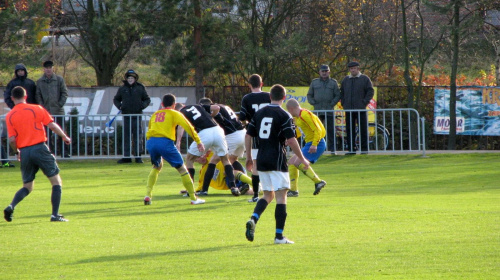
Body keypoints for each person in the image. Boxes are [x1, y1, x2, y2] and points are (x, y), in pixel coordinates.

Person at [244, 84, 309, 244]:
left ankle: (253, 218)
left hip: (261, 158)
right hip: (277, 159)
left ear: (270, 97)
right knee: (281, 196)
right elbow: (292, 139)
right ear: (284, 98)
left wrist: (249, 157)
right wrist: (302, 158)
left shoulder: (259, 114)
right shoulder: (284, 115)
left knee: (268, 194)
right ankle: (279, 236)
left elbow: (248, 135)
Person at [3, 86, 71, 222]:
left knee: (27, 186)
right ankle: (55, 215)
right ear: (26, 96)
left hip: (25, 152)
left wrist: (17, 151)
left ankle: (11, 206)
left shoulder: (10, 116)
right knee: (56, 181)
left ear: (12, 98)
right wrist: (64, 136)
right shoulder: (36, 109)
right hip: (39, 148)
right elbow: (51, 125)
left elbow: (11, 139)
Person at [144, 94, 205, 205]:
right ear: (174, 104)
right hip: (165, 142)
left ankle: (148, 195)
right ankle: (193, 198)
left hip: (151, 142)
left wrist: (151, 144)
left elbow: (149, 129)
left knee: (156, 166)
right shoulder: (175, 113)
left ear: (162, 104)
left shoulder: (155, 114)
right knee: (182, 169)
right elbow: (188, 127)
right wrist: (198, 141)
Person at [177, 102, 240, 196]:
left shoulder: (180, 112)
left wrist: (178, 141)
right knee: (225, 160)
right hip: (218, 130)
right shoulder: (198, 106)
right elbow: (216, 108)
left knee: (189, 159)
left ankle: (190, 190)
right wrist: (211, 116)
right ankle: (233, 187)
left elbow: (181, 126)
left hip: (205, 132)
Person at [197, 98, 247, 196]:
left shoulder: (213, 110)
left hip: (232, 136)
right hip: (243, 134)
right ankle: (246, 184)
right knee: (231, 161)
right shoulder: (224, 106)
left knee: (213, 161)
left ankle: (205, 190)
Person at [285, 99, 327, 197]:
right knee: (291, 162)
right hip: (310, 143)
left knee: (297, 162)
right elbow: (299, 132)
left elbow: (318, 129)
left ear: (291, 109)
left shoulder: (305, 115)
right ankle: (293, 190)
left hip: (317, 142)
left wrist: (314, 144)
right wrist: (290, 139)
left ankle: (318, 181)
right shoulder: (299, 118)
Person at [239, 74, 271, 202]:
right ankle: (273, 192)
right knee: (272, 162)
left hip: (256, 134)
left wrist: (248, 125)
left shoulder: (247, 98)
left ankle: (256, 195)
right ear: (261, 84)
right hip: (270, 133)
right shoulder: (269, 95)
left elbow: (242, 117)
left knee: (256, 164)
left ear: (249, 85)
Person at [113, 69, 151, 164]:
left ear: (135, 79)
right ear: (126, 78)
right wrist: (120, 106)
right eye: (129, 78)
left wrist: (142, 106)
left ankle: (138, 157)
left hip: (137, 116)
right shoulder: (122, 89)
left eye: (132, 78)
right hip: (126, 116)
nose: (130, 79)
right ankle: (126, 157)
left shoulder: (140, 88)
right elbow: (116, 99)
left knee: (138, 137)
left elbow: (147, 99)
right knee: (126, 137)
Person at [35, 60, 70, 158]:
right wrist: (42, 107)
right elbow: (37, 95)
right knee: (46, 134)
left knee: (62, 132)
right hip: (46, 113)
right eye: (46, 68)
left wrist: (59, 104)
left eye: (50, 67)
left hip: (59, 111)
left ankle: (64, 153)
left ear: (53, 68)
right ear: (44, 69)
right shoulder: (40, 81)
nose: (48, 69)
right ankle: (49, 153)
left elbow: (64, 93)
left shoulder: (59, 79)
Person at [339, 61, 374, 155]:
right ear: (349, 70)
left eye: (354, 68)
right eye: (351, 69)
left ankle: (364, 149)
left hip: (361, 109)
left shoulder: (365, 79)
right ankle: (351, 149)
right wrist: (344, 103)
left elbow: (370, 91)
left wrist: (364, 103)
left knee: (363, 129)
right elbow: (341, 92)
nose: (353, 70)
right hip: (349, 109)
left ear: (358, 69)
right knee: (350, 130)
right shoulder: (346, 79)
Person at [307, 64, 341, 154]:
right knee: (316, 130)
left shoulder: (333, 82)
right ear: (319, 72)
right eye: (323, 71)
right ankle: (316, 149)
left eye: (326, 71)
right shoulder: (314, 82)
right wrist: (313, 102)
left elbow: (338, 95)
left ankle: (332, 149)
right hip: (317, 110)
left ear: (329, 72)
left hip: (329, 110)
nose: (324, 73)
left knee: (330, 130)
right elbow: (309, 95)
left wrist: (332, 104)